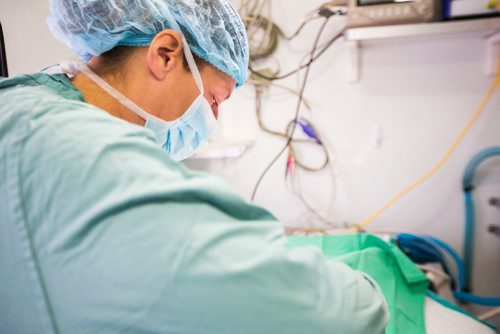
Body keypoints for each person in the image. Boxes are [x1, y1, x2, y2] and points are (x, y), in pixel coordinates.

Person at [0, 0, 389, 333]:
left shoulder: (23, 102)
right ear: (165, 53)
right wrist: (371, 295)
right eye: (215, 99)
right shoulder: (88, 153)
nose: (212, 120)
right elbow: (327, 315)